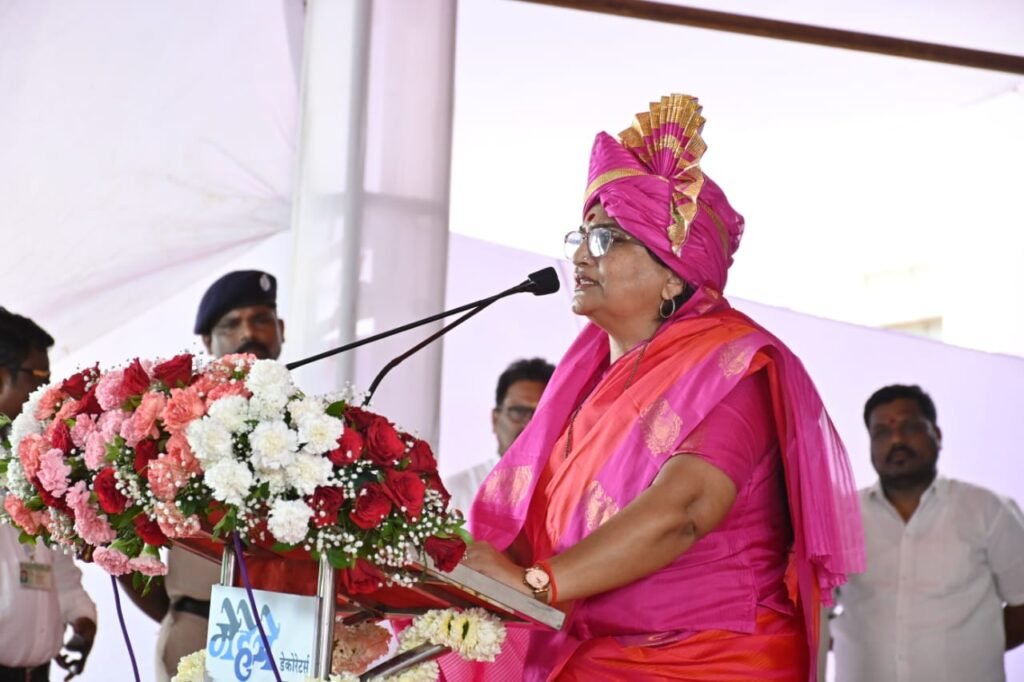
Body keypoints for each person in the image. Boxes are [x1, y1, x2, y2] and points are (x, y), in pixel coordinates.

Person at [459, 94, 864, 681]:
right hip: (593, 652)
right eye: (581, 237)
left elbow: (685, 510)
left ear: (674, 275)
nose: (581, 256)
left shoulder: (729, 367)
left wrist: (536, 584)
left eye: (606, 239)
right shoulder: (588, 379)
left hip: (706, 660)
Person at [120, 270, 285, 681]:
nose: (249, 333)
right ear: (208, 343)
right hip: (196, 632)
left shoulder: (316, 425)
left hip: (288, 637)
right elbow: (123, 541)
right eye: (231, 324)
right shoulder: (172, 423)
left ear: (280, 329)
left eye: (261, 319)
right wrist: (183, 614)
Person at [831, 384, 1024, 681]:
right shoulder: (838, 519)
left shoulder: (988, 510)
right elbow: (812, 613)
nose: (896, 439)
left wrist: (977, 648)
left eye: (910, 427)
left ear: (938, 435)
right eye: (881, 432)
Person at [0, 308, 97, 681]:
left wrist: (80, 615)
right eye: (39, 378)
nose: (47, 394)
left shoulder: (29, 459)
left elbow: (51, 560)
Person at [447, 358, 554, 517]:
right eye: (518, 411)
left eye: (539, 414)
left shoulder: (568, 493)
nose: (529, 424)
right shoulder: (455, 492)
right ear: (495, 419)